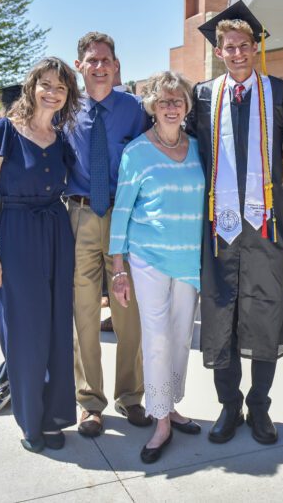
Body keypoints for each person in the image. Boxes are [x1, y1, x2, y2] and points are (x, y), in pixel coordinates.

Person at [187, 1, 283, 445]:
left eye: (244, 46)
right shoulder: (204, 95)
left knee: (265, 312)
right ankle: (228, 407)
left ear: (256, 47)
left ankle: (261, 407)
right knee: (220, 315)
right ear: (219, 51)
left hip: (269, 225)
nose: (236, 54)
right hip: (220, 228)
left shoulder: (282, 93)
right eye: (228, 47)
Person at [0, 56, 80, 453]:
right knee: (24, 329)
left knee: (56, 326)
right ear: (32, 86)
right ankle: (29, 419)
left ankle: (55, 415)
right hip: (18, 233)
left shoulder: (62, 138)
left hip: (57, 230)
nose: (53, 92)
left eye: (61, 87)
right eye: (46, 84)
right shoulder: (5, 130)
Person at [108, 71, 205, 464]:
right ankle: (160, 419)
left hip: (190, 260)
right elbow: (122, 211)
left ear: (186, 106)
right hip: (148, 258)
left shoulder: (200, 148)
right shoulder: (136, 152)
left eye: (177, 100)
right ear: (151, 106)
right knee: (157, 337)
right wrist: (118, 267)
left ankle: (171, 402)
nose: (170, 106)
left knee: (182, 337)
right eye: (163, 101)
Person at [65, 31, 150, 438]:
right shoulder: (65, 108)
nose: (99, 66)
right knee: (83, 309)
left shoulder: (134, 109)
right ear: (79, 65)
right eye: (91, 60)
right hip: (79, 214)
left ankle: (131, 396)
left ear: (116, 66)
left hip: (124, 216)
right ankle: (90, 402)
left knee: (127, 310)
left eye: (105, 60)